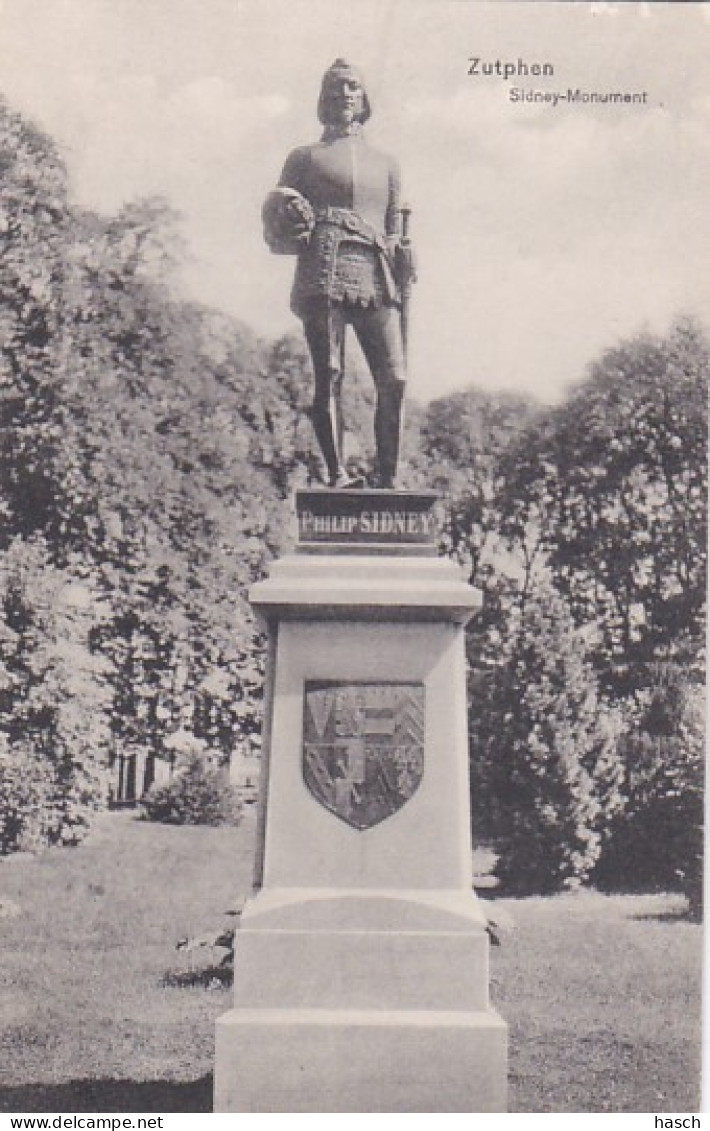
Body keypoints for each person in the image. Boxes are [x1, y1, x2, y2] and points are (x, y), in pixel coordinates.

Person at [262, 58, 414, 489]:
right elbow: (278, 211)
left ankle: (387, 477)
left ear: (364, 99)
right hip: (323, 266)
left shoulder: (387, 163)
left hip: (374, 271)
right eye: (337, 88)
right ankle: (337, 473)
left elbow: (393, 226)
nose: (345, 95)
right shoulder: (304, 157)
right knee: (328, 373)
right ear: (324, 99)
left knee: (395, 378)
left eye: (353, 88)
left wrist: (404, 252)